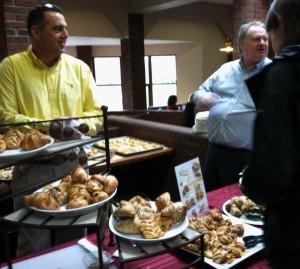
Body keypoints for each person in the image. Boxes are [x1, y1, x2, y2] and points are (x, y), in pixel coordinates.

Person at [0, 2, 102, 257]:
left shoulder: (79, 68)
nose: (66, 35)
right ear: (35, 32)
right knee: (33, 242)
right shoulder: (10, 67)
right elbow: (5, 116)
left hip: (75, 167)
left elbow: (97, 113)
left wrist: (77, 125)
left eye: (65, 29)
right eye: (58, 29)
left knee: (76, 238)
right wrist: (51, 127)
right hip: (32, 168)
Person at [241, 1, 300, 268]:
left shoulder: (281, 75)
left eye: (267, 35)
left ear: (279, 26)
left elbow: (273, 174)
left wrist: (249, 183)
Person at [191, 21, 271, 190]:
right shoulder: (226, 69)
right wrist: (201, 96)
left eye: (265, 39)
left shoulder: (272, 72)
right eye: (257, 39)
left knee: (235, 205)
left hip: (246, 156)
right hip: (214, 151)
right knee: (211, 200)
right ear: (242, 44)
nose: (262, 43)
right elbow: (196, 93)